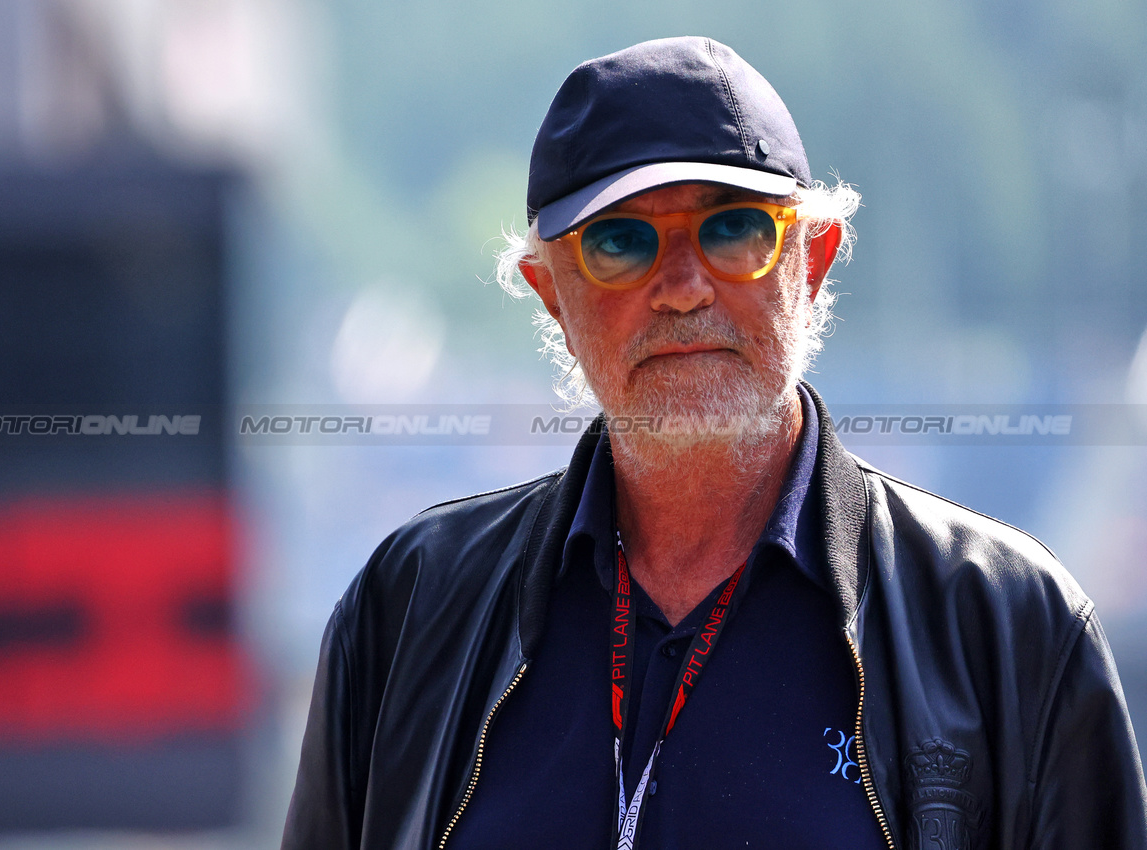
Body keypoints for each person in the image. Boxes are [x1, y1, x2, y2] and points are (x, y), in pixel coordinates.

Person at [281, 37, 1147, 850]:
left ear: (812, 261)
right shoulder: (407, 609)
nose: (682, 288)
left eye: (734, 229)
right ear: (551, 295)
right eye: (620, 242)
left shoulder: (1006, 622)